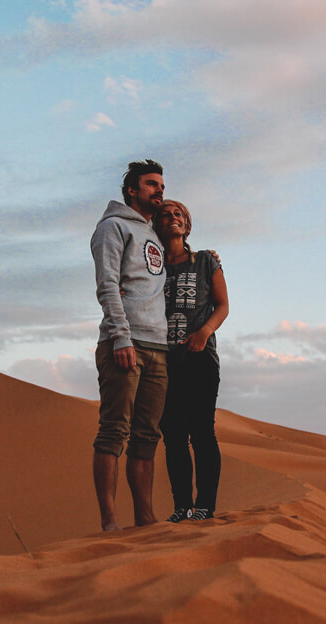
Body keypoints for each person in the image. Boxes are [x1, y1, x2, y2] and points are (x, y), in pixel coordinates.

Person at [89, 159, 169, 531]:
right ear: (132, 190)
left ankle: (145, 518)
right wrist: (120, 336)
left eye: (162, 186)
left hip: (158, 346)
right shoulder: (113, 227)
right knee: (114, 431)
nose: (159, 191)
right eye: (151, 184)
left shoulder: (154, 235)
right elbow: (107, 285)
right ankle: (109, 522)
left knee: (147, 436)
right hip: (125, 343)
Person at [154, 199, 229, 522]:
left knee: (202, 432)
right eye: (166, 215)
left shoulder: (205, 262)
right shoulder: (150, 266)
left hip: (200, 357)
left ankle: (205, 506)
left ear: (187, 224)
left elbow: (223, 305)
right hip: (161, 360)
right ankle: (181, 505)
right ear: (156, 224)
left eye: (179, 214)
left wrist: (204, 332)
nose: (173, 218)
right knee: (172, 435)